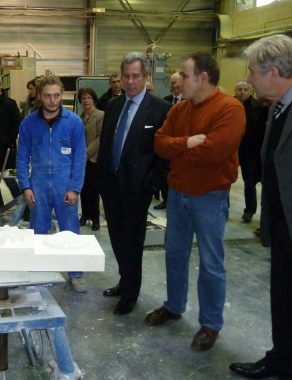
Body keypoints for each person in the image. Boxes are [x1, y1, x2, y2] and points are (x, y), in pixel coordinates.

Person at [229, 34, 292, 380]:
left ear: (274, 72)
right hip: (283, 226)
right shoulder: (278, 106)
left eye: (252, 71)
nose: (249, 79)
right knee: (285, 303)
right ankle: (281, 360)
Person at [145, 52, 245, 352]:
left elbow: (213, 153)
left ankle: (210, 323)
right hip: (178, 194)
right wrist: (187, 142)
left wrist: (178, 149)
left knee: (211, 263)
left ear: (203, 77)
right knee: (174, 254)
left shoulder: (231, 108)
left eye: (184, 76)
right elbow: (159, 145)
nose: (179, 82)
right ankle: (174, 306)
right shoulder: (179, 110)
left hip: (210, 197)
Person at [96, 52, 171, 315]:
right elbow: (107, 144)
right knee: (116, 237)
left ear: (146, 77)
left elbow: (163, 155)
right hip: (112, 184)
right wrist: (101, 180)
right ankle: (124, 280)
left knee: (132, 241)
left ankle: (131, 293)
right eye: (126, 76)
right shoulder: (115, 105)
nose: (130, 82)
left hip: (137, 188)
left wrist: (153, 186)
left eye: (135, 76)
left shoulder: (161, 109)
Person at [16, 75, 87, 293]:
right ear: (39, 96)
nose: (53, 100)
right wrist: (25, 187)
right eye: (47, 96)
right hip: (37, 185)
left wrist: (75, 188)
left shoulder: (74, 122)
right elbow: (21, 157)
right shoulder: (28, 123)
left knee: (70, 231)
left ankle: (75, 274)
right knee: (38, 231)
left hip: (64, 185)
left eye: (57, 95)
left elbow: (80, 158)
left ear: (62, 94)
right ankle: (38, 271)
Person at [0, 73, 23, 211]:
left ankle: (23, 208)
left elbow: (17, 125)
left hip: (7, 150)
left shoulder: (10, 104)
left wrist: (8, 140)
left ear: (1, 86)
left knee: (10, 180)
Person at [154, 72, 184, 211]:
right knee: (164, 174)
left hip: (182, 146)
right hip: (167, 144)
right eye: (172, 83)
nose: (174, 85)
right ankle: (166, 199)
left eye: (176, 82)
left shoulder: (188, 102)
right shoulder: (165, 102)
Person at [234, 80, 262, 223]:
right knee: (225, 180)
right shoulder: (229, 105)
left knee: (249, 182)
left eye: (245, 89)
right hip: (231, 148)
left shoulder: (258, 107)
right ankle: (224, 209)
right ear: (235, 91)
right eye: (239, 89)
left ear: (251, 91)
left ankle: (249, 210)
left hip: (249, 151)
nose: (242, 92)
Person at [77, 87, 103, 231]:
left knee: (93, 190)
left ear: (94, 99)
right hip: (81, 160)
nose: (86, 100)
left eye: (89, 97)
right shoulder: (79, 117)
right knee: (83, 189)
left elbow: (100, 138)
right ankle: (85, 215)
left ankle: (95, 218)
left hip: (93, 159)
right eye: (83, 98)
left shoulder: (100, 116)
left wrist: (86, 153)